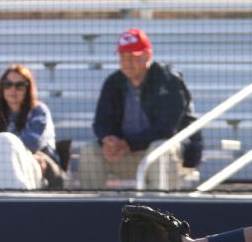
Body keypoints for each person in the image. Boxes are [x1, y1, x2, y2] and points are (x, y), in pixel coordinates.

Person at [78, 28, 202, 191]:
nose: (128, 62)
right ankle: (90, 211)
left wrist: (129, 144)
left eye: (133, 57)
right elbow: (101, 122)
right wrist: (108, 139)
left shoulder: (168, 80)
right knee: (89, 151)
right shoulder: (113, 82)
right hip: (125, 155)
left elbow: (167, 129)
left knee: (159, 148)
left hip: (169, 156)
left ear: (147, 55)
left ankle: (163, 211)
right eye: (123, 56)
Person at [0, 64, 66, 190]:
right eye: (8, 84)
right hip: (4, 164)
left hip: (40, 165)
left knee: (5, 141)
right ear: (2, 88)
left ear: (27, 89)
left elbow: (32, 143)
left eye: (19, 85)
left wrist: (6, 142)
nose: (13, 89)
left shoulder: (39, 111)